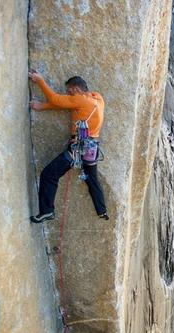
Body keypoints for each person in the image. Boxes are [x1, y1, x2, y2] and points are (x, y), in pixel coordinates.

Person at [28, 71, 109, 223]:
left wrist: (40, 81)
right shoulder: (97, 98)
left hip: (78, 147)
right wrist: (42, 107)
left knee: (49, 174)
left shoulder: (81, 100)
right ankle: (102, 210)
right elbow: (64, 104)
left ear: (77, 89)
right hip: (92, 148)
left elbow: (55, 99)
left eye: (70, 91)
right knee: (92, 179)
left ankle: (46, 211)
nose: (68, 94)